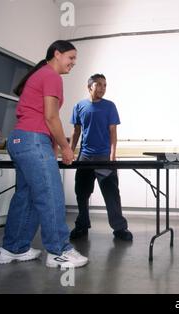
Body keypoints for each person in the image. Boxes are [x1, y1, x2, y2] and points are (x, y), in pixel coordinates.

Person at [0, 40, 89, 268]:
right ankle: (59, 251)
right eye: (71, 58)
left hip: (20, 140)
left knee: (26, 196)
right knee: (50, 195)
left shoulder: (40, 75)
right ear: (57, 54)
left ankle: (13, 248)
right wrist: (67, 148)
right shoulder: (51, 76)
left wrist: (56, 150)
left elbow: (44, 119)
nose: (73, 63)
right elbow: (50, 117)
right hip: (33, 140)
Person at [69, 74, 133, 241]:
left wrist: (112, 155)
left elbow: (113, 132)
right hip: (85, 157)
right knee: (81, 193)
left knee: (111, 193)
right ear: (90, 86)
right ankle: (82, 225)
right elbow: (76, 132)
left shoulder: (109, 106)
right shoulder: (79, 106)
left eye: (105, 85)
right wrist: (70, 151)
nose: (103, 88)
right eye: (99, 85)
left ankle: (120, 229)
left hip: (104, 156)